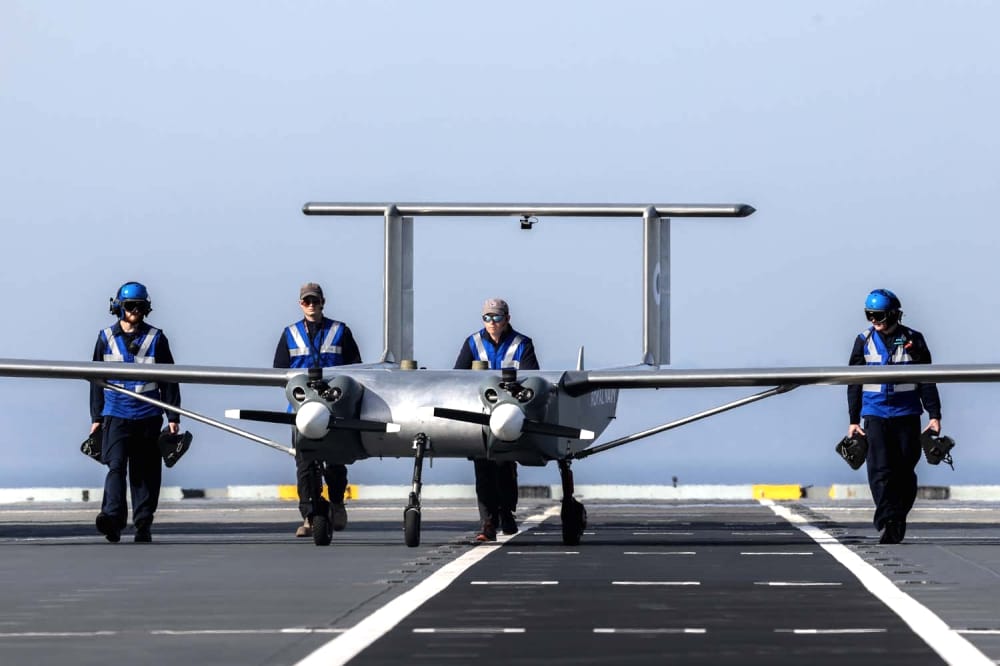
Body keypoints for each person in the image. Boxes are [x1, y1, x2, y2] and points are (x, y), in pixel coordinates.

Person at [847, 288, 941, 545]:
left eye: (878, 315)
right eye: (869, 315)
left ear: (893, 315)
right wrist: (853, 420)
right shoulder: (863, 341)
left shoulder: (914, 340)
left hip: (907, 414)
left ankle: (897, 516)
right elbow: (853, 383)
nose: (874, 320)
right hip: (875, 414)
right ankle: (889, 520)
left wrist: (935, 415)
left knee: (905, 470)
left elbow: (927, 380)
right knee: (879, 470)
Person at [90, 281, 181, 544]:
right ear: (119, 308)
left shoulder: (156, 338)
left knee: (145, 473)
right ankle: (112, 519)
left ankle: (143, 524)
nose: (135, 312)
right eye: (130, 306)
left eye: (140, 307)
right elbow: (95, 379)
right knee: (115, 467)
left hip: (148, 416)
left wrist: (173, 417)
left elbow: (171, 379)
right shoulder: (105, 338)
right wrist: (96, 418)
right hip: (115, 414)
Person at [273, 282, 361, 538]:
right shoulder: (289, 334)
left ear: (323, 302)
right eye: (306, 301)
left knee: (335, 462)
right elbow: (279, 371)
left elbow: (356, 368)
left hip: (334, 410)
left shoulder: (340, 331)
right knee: (305, 466)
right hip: (301, 411)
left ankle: (336, 503)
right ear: (300, 304)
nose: (311, 306)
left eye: (315, 301)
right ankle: (311, 516)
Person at [454, 298, 539, 542]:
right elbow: (457, 377)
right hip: (479, 416)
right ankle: (488, 523)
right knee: (483, 468)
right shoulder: (473, 343)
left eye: (497, 317)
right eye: (487, 318)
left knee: (505, 467)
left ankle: (507, 513)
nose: (492, 323)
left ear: (507, 319)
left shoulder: (523, 344)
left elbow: (532, 379)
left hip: (510, 416)